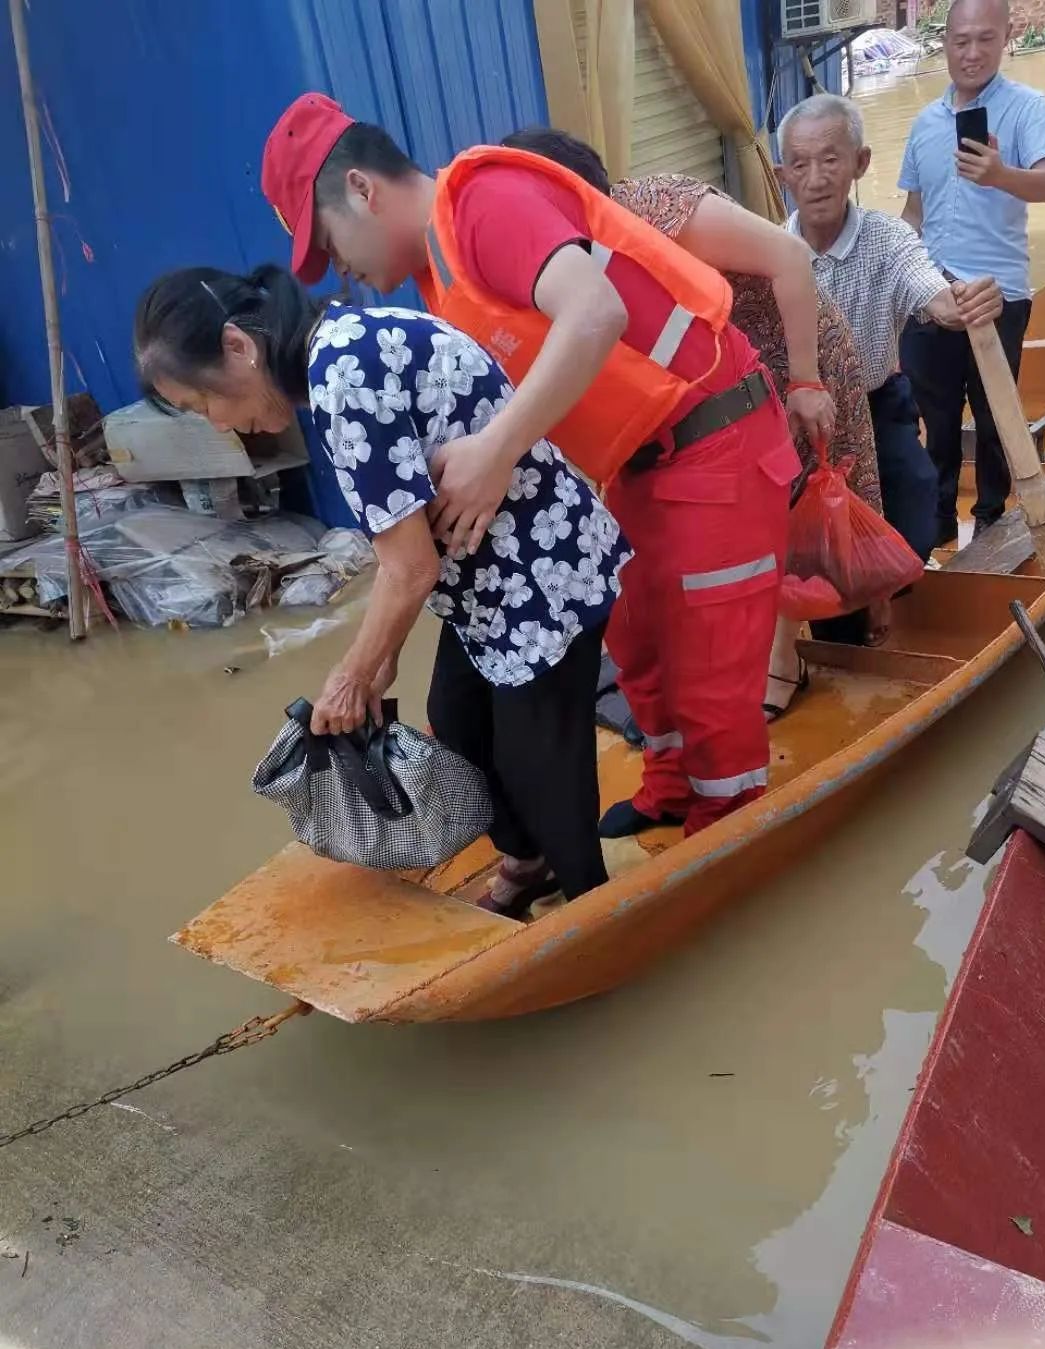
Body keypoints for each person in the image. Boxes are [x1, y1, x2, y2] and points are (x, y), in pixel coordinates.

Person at [261, 95, 827, 839]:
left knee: (710, 671)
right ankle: (669, 789)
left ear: (363, 190)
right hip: (637, 460)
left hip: (714, 437)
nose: (341, 270)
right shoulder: (440, 279)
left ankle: (728, 826)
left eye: (331, 244)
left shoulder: (479, 204)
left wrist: (494, 453)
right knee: (635, 640)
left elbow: (596, 314)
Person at [133, 266, 631, 918]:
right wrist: (378, 657)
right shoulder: (340, 348)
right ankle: (528, 863)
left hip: (542, 578)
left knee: (538, 762)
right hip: (488, 588)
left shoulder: (344, 381)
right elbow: (405, 548)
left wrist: (353, 674)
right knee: (457, 726)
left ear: (237, 347)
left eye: (206, 406)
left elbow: (408, 570)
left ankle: (592, 907)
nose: (223, 425)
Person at [500, 124, 886, 683]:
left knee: (818, 510)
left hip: (795, 351)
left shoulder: (659, 210)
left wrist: (806, 380)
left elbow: (791, 258)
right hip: (721, 377)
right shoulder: (574, 255)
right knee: (758, 515)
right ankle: (773, 653)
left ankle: (829, 655)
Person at [778, 92, 1003, 575]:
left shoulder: (889, 238)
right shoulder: (768, 253)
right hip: (799, 424)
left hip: (878, 403)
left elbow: (930, 290)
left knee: (915, 521)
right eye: (800, 165)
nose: (816, 180)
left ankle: (889, 593)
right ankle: (843, 626)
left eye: (831, 160)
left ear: (860, 164)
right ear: (783, 177)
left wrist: (963, 301)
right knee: (810, 549)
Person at [898, 0, 1045, 541]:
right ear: (943, 42)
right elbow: (914, 213)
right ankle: (940, 525)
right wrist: (899, 279)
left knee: (994, 417)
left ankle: (991, 518)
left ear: (1007, 37)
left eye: (984, 40)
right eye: (961, 40)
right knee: (935, 417)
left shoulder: (1026, 107)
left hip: (999, 292)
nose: (971, 53)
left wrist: (998, 175)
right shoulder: (924, 122)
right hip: (931, 291)